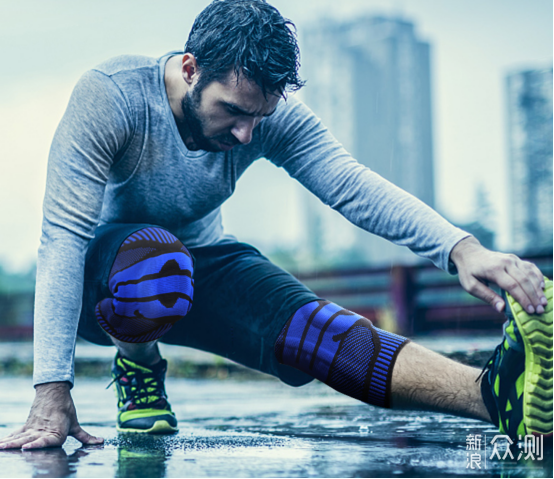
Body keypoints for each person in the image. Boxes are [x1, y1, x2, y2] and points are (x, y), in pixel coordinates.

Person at [0, 0, 551, 450]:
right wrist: (52, 388)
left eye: (258, 117)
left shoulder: (264, 112)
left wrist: (461, 249)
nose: (246, 134)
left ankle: (495, 394)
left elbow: (350, 184)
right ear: (191, 69)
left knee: (318, 331)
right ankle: (139, 362)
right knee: (154, 262)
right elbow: (62, 239)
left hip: (201, 262)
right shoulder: (113, 96)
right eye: (233, 111)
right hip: (102, 282)